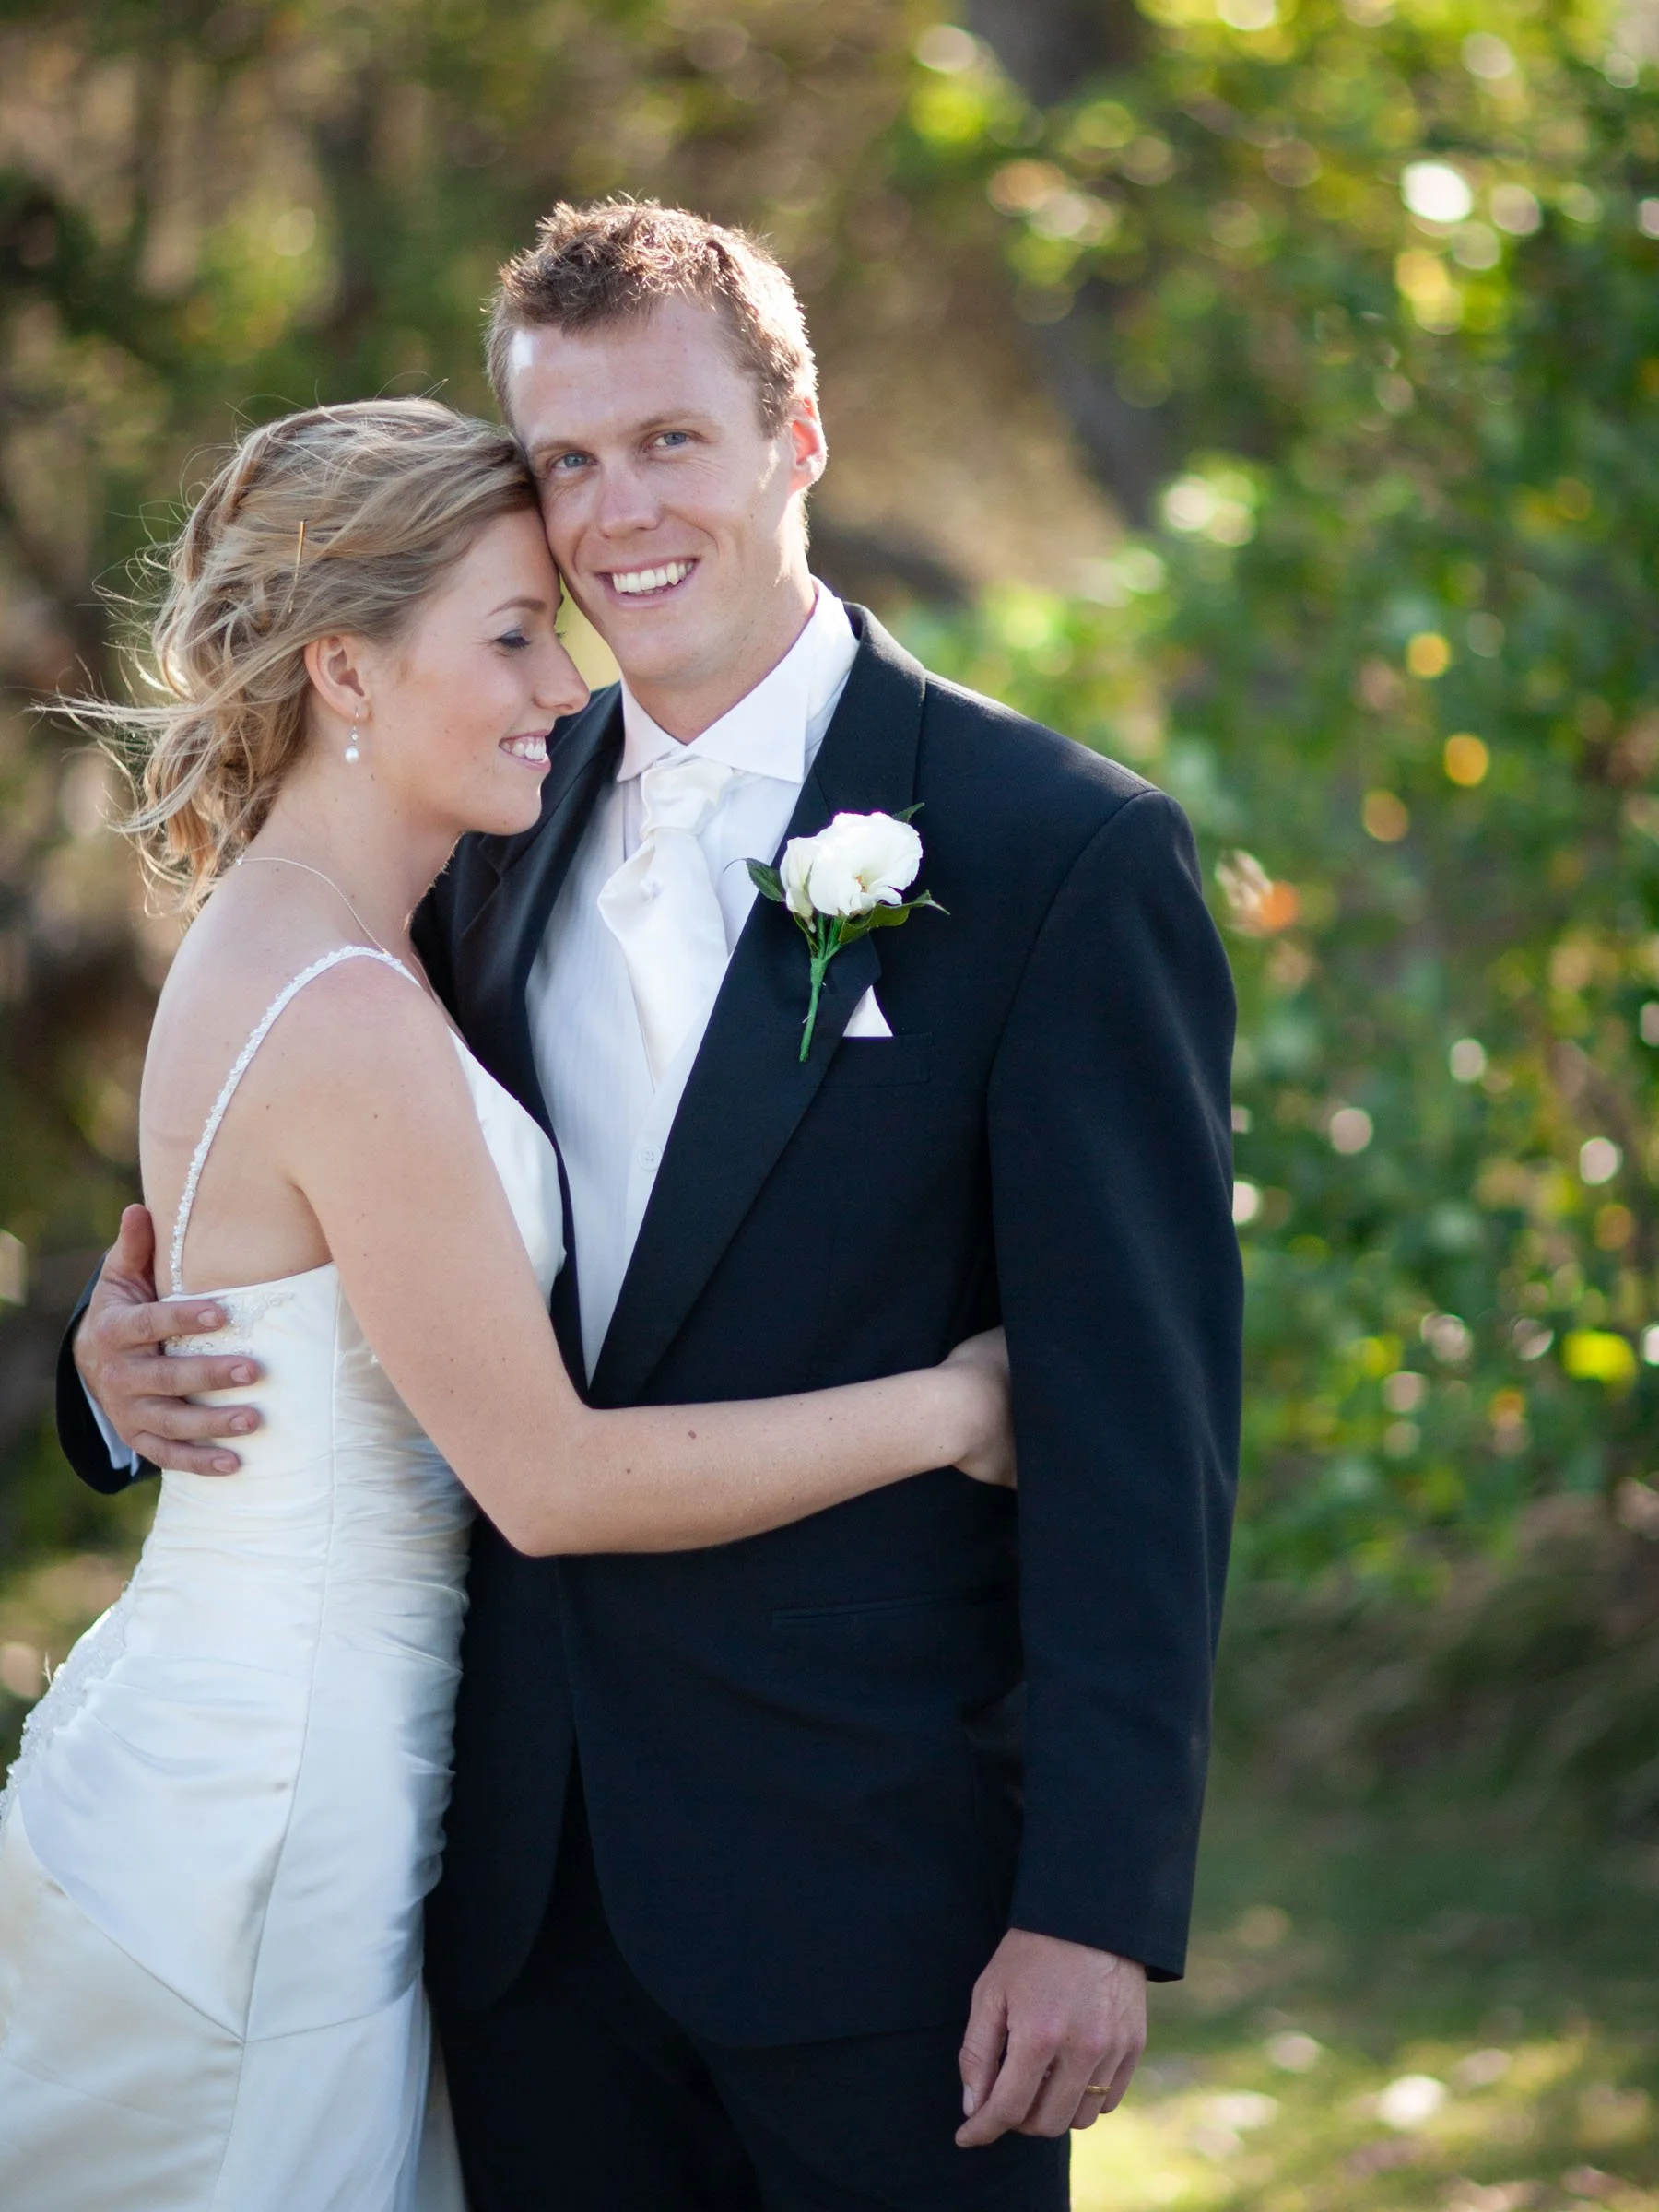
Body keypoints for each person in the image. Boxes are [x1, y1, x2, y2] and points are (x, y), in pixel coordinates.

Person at [60, 203, 1242, 2211]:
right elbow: (302, 1191)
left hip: (890, 1908)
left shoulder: (1061, 857)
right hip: (503, 1902)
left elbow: (1139, 1422)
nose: (619, 514)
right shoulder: (485, 810)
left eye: (672, 442)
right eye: (568, 463)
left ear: (799, 438)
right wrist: (121, 1377)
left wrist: (1096, 1902)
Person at [2, 396, 1017, 2211]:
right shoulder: (346, 1005)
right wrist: (954, 1408)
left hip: (285, 1767)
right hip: (274, 1820)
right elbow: (545, 1480)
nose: (566, 682)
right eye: (509, 634)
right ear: (347, 671)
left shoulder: (334, 932)